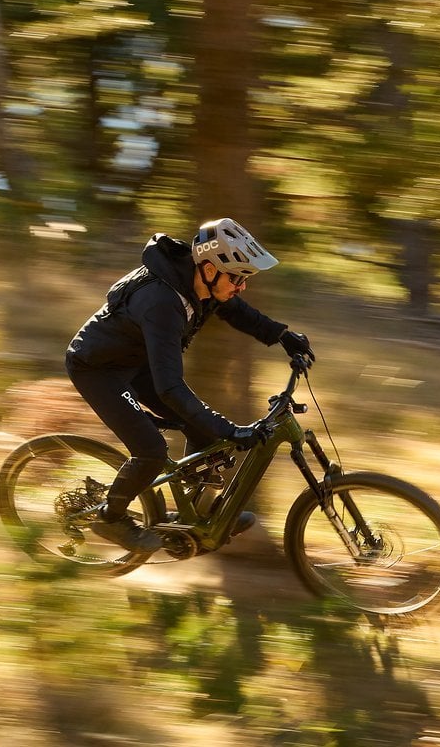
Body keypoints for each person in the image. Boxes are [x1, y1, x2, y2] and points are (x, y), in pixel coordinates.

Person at [65, 218, 315, 553]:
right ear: (210, 269)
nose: (241, 286)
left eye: (245, 278)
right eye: (237, 277)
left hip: (136, 362)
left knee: (202, 430)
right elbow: (169, 387)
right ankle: (109, 519)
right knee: (151, 450)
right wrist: (232, 430)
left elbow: (236, 310)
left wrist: (282, 336)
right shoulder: (162, 302)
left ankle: (190, 516)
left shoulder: (200, 283)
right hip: (98, 369)